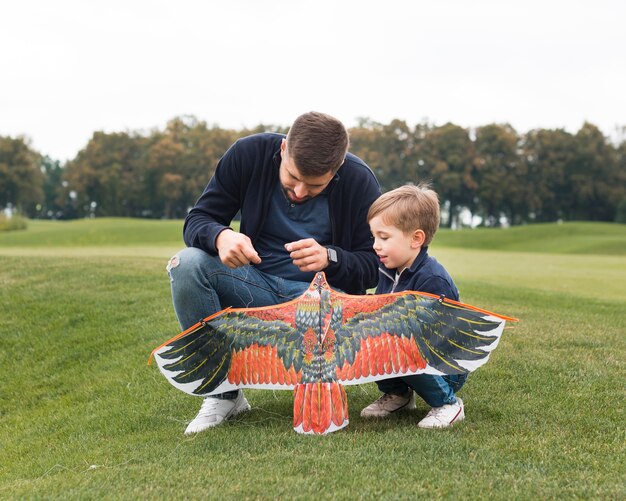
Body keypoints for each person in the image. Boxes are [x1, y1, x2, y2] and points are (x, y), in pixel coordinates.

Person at [167, 111, 381, 434]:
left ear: (336, 172)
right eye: (292, 177)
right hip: (254, 284)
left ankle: (313, 379)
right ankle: (223, 394)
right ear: (283, 150)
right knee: (187, 265)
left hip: (319, 307)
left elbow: (374, 268)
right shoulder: (247, 154)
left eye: (314, 186)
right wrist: (220, 236)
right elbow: (198, 219)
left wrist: (330, 257)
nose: (298, 191)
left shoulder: (359, 180)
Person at [360, 184, 466, 429]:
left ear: (416, 238)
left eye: (384, 237)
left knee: (400, 344)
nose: (376, 245)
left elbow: (439, 336)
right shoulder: (388, 271)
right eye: (374, 236)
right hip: (408, 352)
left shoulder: (432, 279)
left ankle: (448, 403)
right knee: (370, 339)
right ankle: (399, 394)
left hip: (444, 364)